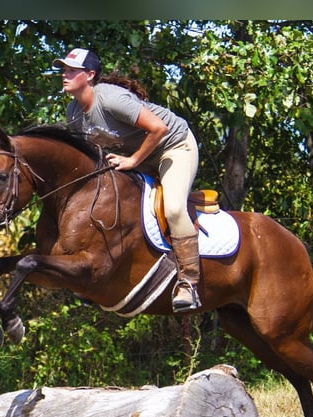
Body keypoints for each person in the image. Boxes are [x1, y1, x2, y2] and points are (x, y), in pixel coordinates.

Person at [52, 47, 202, 313]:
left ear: (89, 75)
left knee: (175, 208)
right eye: (64, 69)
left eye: (71, 70)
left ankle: (188, 282)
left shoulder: (110, 99)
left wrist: (133, 161)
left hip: (174, 146)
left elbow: (159, 128)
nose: (65, 74)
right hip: (141, 156)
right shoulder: (73, 113)